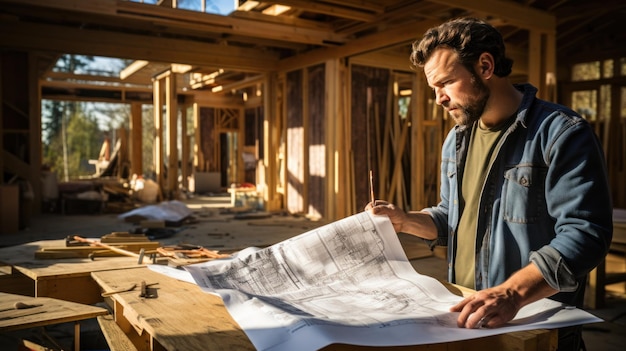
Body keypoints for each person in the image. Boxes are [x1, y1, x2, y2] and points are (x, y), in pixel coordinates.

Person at [367, 17, 612, 350]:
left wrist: (512, 293)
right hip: (466, 320)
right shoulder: (456, 141)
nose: (438, 98)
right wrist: (405, 220)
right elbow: (449, 219)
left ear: (484, 65)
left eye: (446, 83)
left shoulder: (559, 133)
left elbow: (586, 233)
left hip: (532, 325)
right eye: (434, 89)